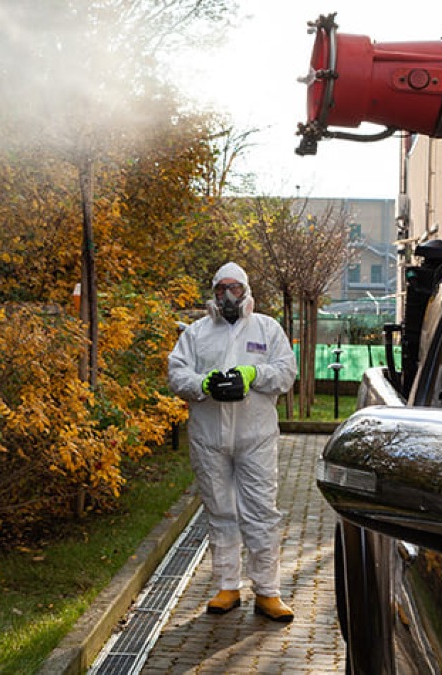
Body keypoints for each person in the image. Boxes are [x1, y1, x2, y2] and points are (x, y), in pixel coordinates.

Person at [167, 262, 297, 622]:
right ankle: (227, 587)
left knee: (261, 514)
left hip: (255, 438)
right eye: (221, 288)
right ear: (213, 292)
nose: (228, 295)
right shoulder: (196, 334)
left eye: (234, 288)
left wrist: (254, 373)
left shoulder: (267, 329)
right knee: (221, 512)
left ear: (246, 290)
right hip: (209, 439)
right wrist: (204, 384)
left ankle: (268, 592)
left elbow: (286, 373)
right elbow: (177, 375)